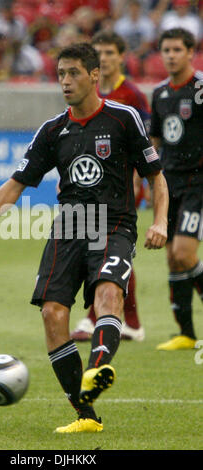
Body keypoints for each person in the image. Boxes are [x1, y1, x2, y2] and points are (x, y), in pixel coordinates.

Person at [0, 43, 168, 433]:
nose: (65, 81)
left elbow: (156, 177)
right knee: (53, 314)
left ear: (94, 75)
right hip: (70, 227)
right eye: (60, 74)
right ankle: (86, 415)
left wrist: (159, 221)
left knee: (109, 293)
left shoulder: (123, 118)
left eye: (73, 73)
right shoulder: (54, 130)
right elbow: (15, 184)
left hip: (114, 224)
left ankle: (97, 368)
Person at [71, 31, 151, 342]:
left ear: (121, 56)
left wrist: (137, 177)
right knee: (101, 247)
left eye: (109, 52)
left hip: (123, 182)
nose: (103, 58)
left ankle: (102, 317)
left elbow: (144, 142)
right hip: (92, 183)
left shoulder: (131, 94)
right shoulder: (87, 91)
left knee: (107, 246)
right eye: (99, 52)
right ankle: (120, 318)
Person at [150, 28, 203, 351]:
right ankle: (186, 334)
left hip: (199, 181)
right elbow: (154, 140)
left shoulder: (200, 89)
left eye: (176, 50)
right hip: (169, 182)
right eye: (165, 50)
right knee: (172, 258)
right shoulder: (160, 93)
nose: (170, 55)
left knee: (185, 252)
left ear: (190, 53)